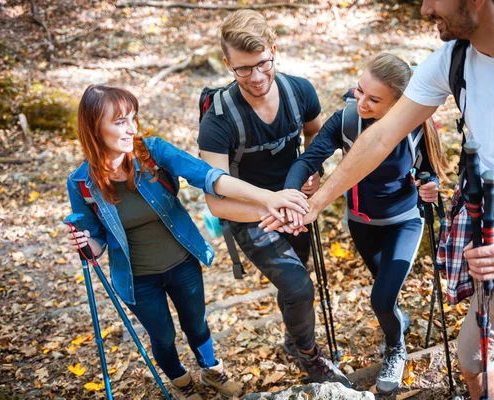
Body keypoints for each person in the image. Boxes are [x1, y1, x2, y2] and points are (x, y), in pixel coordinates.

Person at [261, 1, 494, 399]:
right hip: (480, 212)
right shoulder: (453, 58)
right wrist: (315, 204)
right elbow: (378, 137)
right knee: (487, 339)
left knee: (473, 358)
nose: (424, 8)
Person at [65, 84, 310, 400]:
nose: (132, 129)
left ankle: (212, 370)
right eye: (120, 121)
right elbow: (96, 244)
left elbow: (208, 175)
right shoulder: (81, 183)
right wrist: (85, 243)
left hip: (182, 262)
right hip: (137, 278)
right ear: (94, 127)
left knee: (197, 324)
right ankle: (181, 382)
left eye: (133, 119)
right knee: (163, 336)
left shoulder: (152, 152)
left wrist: (268, 198)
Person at [197, 10, 350, 387]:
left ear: (274, 51)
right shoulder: (218, 121)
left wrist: (311, 171)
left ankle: (293, 341)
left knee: (295, 284)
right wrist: (270, 202)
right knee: (299, 286)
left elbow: (317, 135)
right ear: (228, 64)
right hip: (251, 214)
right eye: (243, 69)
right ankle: (310, 356)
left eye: (263, 63)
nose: (257, 77)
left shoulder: (299, 91)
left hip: (295, 206)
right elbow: (215, 201)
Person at [281, 53, 447, 393]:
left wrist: (431, 186)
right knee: (385, 294)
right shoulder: (346, 121)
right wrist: (291, 195)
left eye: (374, 99)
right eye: (360, 92)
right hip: (361, 223)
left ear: (399, 103)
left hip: (404, 222)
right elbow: (307, 160)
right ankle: (397, 325)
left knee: (382, 299)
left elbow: (429, 170)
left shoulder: (414, 126)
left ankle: (396, 349)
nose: (362, 103)